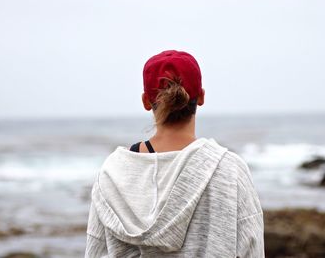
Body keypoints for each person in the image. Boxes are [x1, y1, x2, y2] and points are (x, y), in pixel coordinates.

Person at [84, 50, 264, 257]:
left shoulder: (111, 174)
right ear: (202, 96)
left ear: (145, 101)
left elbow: (95, 251)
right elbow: (252, 248)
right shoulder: (230, 171)